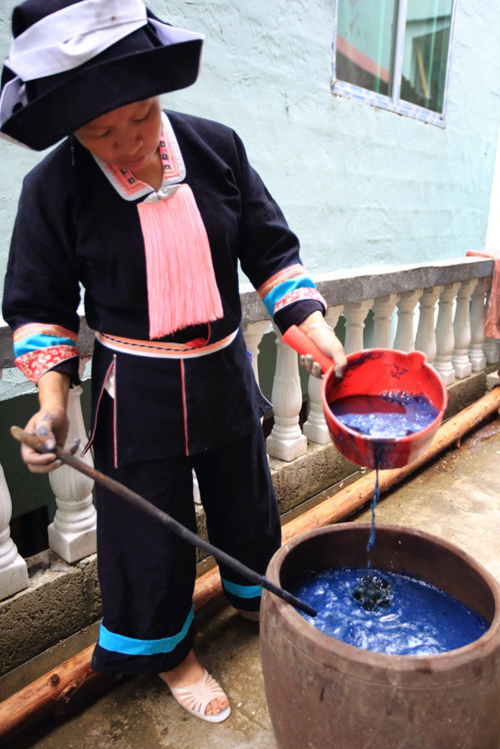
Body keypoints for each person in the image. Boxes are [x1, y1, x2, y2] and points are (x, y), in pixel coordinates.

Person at [1, 0, 347, 724]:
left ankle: (258, 603)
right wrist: (54, 405)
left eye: (143, 115)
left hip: (222, 370)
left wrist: (310, 323)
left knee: (248, 507)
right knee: (148, 536)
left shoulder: (218, 147)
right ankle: (171, 653)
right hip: (138, 391)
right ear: (69, 125)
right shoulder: (52, 189)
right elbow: (43, 307)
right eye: (100, 131)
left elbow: (271, 250)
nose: (129, 141)